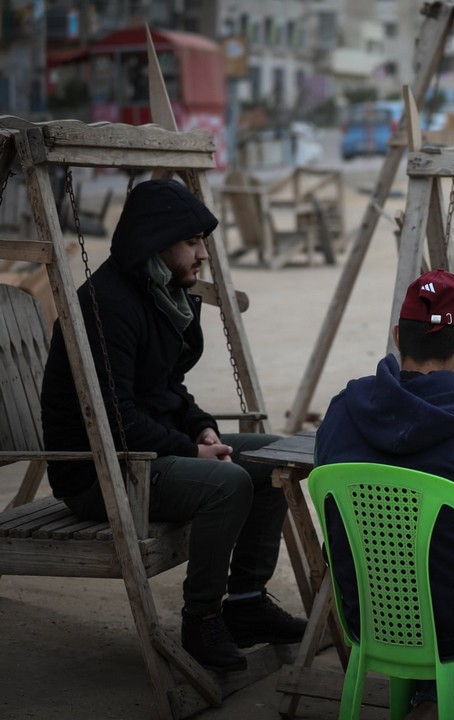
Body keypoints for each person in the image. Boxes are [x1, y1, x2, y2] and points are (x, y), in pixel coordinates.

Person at [40, 178, 306, 673]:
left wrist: (202, 429)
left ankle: (246, 603)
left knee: (273, 456)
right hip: (103, 473)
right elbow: (113, 417)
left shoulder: (164, 294)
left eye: (202, 241)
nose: (203, 254)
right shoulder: (105, 307)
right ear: (157, 242)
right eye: (192, 242)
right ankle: (201, 618)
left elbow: (169, 389)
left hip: (149, 452)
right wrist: (190, 450)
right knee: (226, 483)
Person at [314, 269, 454, 717]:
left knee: (443, 592)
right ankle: (435, 701)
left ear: (398, 335)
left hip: (369, 618)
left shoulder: (343, 408)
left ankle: (425, 698)